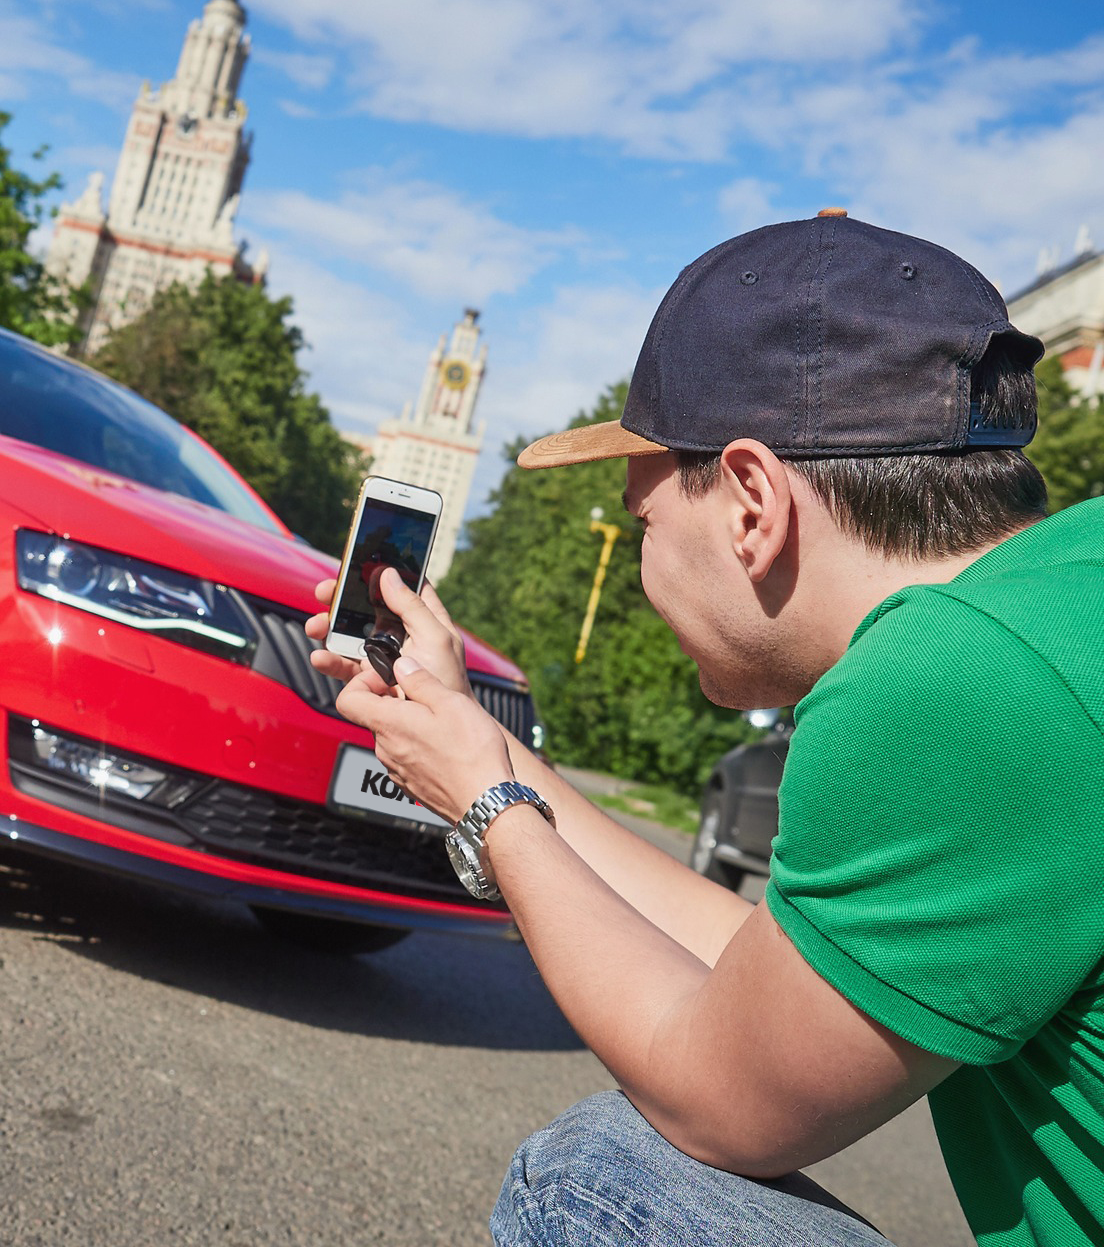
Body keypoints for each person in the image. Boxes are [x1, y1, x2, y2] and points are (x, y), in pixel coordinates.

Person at [306, 212, 1104, 1246]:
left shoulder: (949, 685)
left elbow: (721, 1099)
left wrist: (485, 806)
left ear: (750, 505)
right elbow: (775, 978)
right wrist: (481, 748)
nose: (643, 563)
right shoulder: (1056, 598)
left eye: (645, 522)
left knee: (599, 1176)